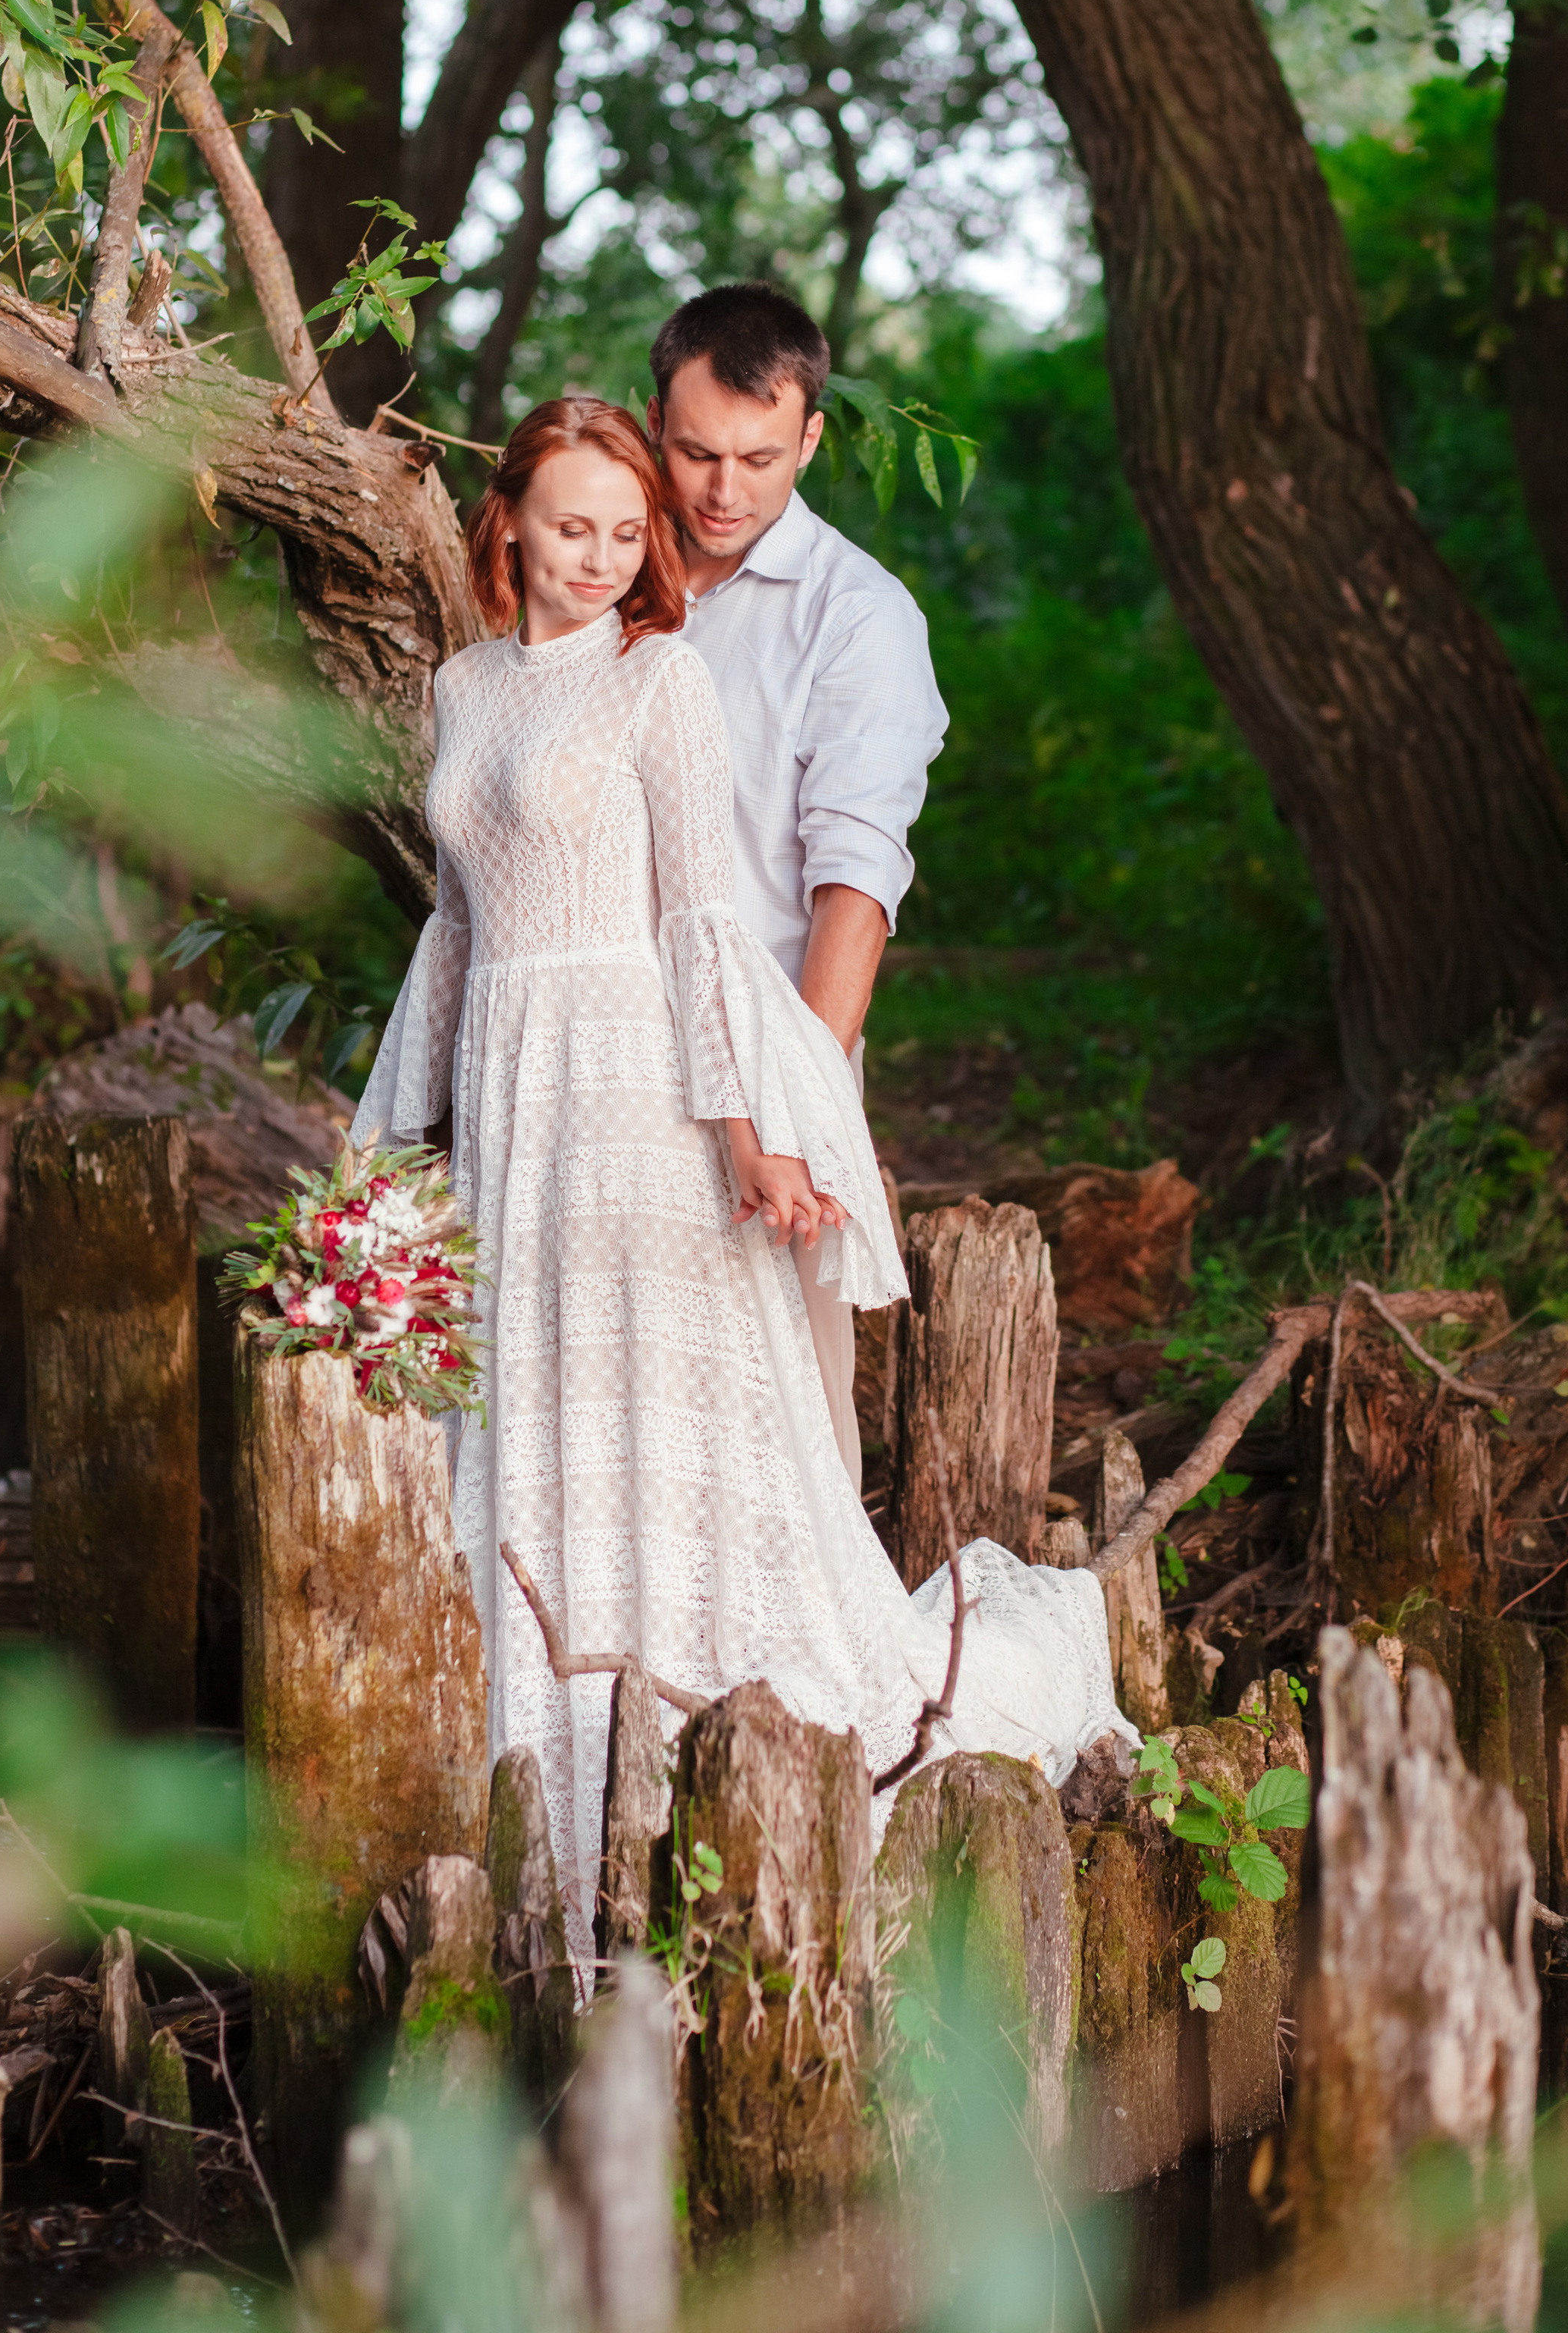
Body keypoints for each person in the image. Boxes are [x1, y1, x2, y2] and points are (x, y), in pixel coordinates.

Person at [353, 394, 1133, 1966]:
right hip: (511, 1083)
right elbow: (451, 921)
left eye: (625, 533)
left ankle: (702, 1763)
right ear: (501, 522)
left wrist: (751, 1133)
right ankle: (541, 1787)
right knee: (529, 1402)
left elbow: (705, 922)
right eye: (570, 525)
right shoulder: (457, 687)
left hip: (633, 1087)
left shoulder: (663, 681)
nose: (599, 556)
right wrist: (396, 1136)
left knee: (653, 1407)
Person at [648, 285, 946, 1493]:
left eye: (761, 458)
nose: (727, 490)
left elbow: (856, 883)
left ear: (812, 438)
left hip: (778, 1052)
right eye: (699, 454)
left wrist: (796, 1111)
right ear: (652, 427)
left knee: (779, 1418)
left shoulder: (860, 617)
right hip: (604, 1047)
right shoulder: (600, 574)